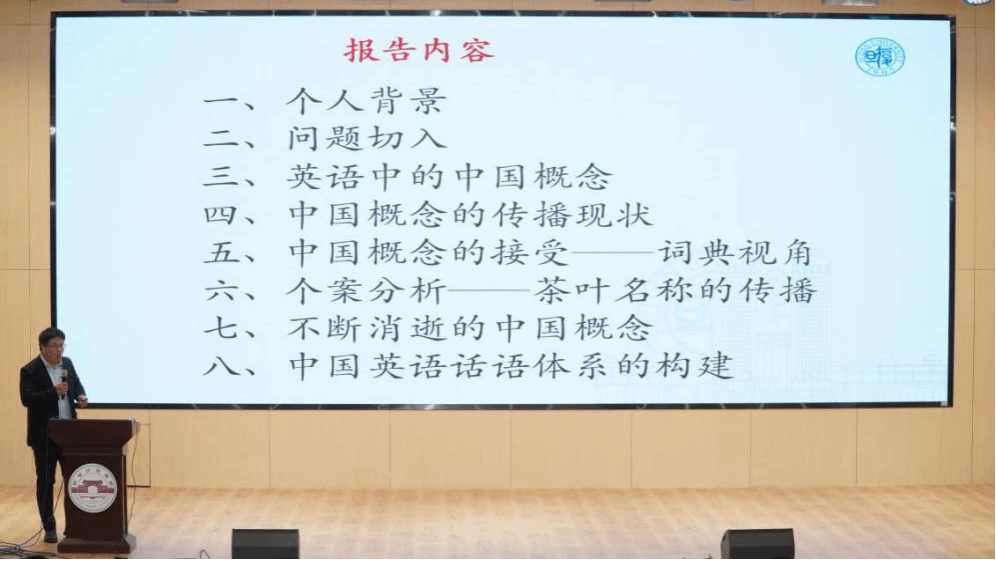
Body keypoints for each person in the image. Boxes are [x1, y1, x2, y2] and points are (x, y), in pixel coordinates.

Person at [19, 327, 88, 544]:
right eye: (54, 346)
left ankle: (76, 526)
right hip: (44, 437)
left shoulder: (67, 363)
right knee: (46, 482)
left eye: (62, 345)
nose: (59, 351)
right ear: (42, 347)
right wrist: (53, 392)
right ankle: (49, 527)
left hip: (69, 435)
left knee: (74, 481)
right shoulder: (30, 370)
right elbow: (27, 399)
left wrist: (81, 396)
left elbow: (76, 385)